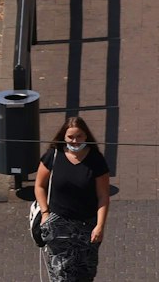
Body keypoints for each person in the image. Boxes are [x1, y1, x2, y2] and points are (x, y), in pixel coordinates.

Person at [34, 116, 111, 279]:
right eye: (70, 137)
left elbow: (103, 195)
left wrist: (100, 225)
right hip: (58, 223)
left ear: (86, 137)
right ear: (63, 136)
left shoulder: (96, 160)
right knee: (60, 272)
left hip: (86, 225)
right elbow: (39, 185)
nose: (75, 141)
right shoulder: (53, 156)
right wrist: (45, 213)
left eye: (79, 136)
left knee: (85, 271)